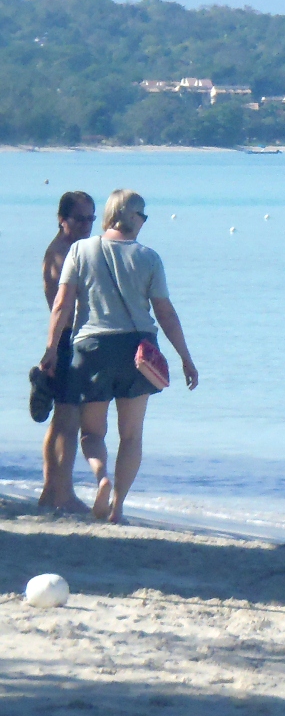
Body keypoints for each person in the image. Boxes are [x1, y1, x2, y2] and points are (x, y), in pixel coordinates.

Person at [39, 189, 199, 523]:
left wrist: (51, 350)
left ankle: (101, 477)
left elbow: (62, 304)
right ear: (131, 217)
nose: (143, 222)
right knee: (131, 435)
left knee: (92, 434)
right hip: (138, 352)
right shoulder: (149, 257)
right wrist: (185, 356)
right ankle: (118, 508)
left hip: (92, 349)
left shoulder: (80, 250)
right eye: (143, 216)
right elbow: (165, 313)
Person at [33, 191, 96, 512]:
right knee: (68, 421)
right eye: (80, 218)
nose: (87, 225)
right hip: (67, 340)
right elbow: (62, 307)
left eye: (91, 219)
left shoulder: (74, 251)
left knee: (60, 421)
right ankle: (64, 493)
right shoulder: (60, 254)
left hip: (67, 340)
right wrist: (52, 350)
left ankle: (50, 490)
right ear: (63, 219)